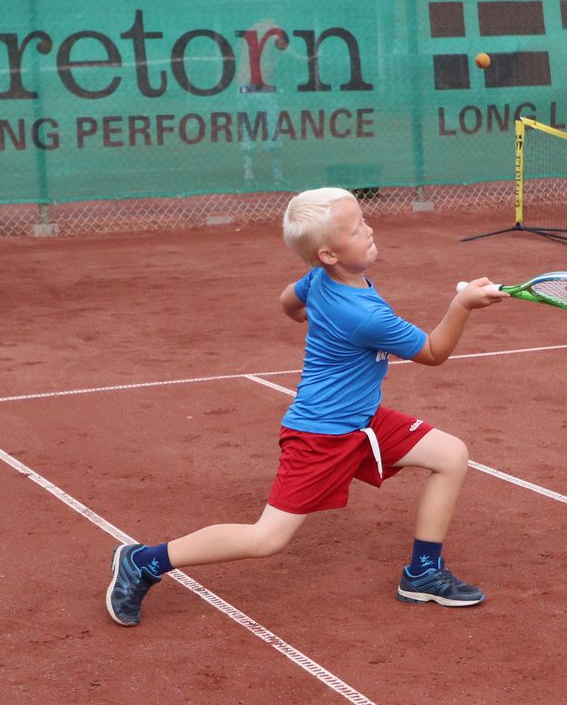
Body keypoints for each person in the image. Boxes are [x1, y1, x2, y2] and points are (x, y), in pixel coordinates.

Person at [106, 187, 507, 626]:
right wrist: (462, 305)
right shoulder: (364, 315)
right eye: (356, 229)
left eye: (364, 221)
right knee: (266, 538)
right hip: (322, 435)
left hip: (361, 421)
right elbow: (432, 352)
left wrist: (303, 314)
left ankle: (423, 573)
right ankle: (143, 561)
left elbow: (288, 300)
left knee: (450, 454)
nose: (369, 230)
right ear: (329, 254)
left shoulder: (320, 278)